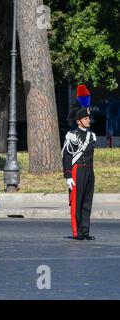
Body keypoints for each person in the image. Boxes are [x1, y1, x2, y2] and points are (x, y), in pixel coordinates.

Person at [62, 84, 96, 240]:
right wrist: (68, 176)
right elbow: (67, 156)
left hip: (89, 170)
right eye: (85, 118)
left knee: (87, 202)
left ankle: (85, 230)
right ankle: (77, 232)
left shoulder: (92, 136)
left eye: (88, 118)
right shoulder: (72, 135)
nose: (88, 120)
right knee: (76, 202)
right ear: (78, 121)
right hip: (77, 171)